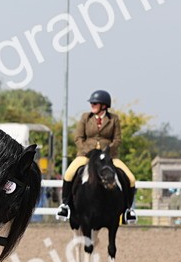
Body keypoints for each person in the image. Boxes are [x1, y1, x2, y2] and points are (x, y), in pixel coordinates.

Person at [55, 89, 138, 224]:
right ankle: (65, 205)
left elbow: (117, 140)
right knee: (69, 174)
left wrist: (107, 151)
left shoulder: (113, 119)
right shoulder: (85, 118)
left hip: (109, 157)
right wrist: (89, 151)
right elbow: (78, 138)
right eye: (92, 103)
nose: (92, 105)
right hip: (86, 155)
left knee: (131, 178)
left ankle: (128, 210)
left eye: (95, 103)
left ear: (104, 106)